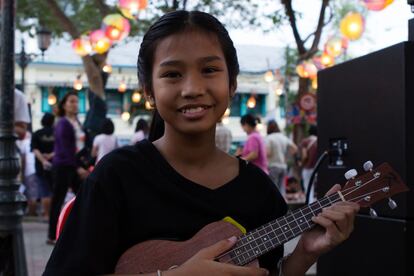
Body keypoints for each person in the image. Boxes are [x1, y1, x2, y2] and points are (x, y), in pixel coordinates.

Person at [44, 11, 359, 276]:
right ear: (149, 91)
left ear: (232, 83)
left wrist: (305, 253)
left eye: (209, 70)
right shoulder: (116, 177)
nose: (193, 88)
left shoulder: (259, 190)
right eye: (172, 74)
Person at [47, 91, 89, 244]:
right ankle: (52, 235)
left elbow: (81, 145)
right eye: (71, 101)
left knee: (83, 197)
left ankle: (77, 232)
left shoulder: (77, 122)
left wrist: (85, 163)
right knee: (58, 200)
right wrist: (78, 168)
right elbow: (65, 148)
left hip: (76, 165)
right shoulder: (62, 123)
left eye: (77, 101)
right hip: (63, 166)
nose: (75, 104)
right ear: (64, 105)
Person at [31, 112, 55, 221]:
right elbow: (60, 149)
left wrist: (43, 160)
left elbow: (35, 150)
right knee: (54, 190)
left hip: (40, 166)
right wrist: (50, 156)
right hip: (55, 165)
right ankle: (53, 215)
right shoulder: (57, 133)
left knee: (44, 191)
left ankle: (46, 215)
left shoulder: (36, 134)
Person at [265, 120, 297, 193]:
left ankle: (275, 204)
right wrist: (287, 157)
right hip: (283, 166)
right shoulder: (283, 137)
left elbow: (268, 153)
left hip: (273, 166)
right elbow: (295, 148)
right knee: (282, 190)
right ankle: (282, 204)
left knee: (273, 190)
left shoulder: (269, 138)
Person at [16, 131, 38, 216]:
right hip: (35, 170)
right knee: (34, 192)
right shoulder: (33, 142)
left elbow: (23, 159)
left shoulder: (25, 142)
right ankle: (33, 211)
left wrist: (22, 173)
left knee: (31, 193)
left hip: (29, 171)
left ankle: (32, 212)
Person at [300, 125, 318, 203]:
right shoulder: (319, 140)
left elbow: (304, 156)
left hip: (308, 168)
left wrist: (301, 163)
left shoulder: (305, 141)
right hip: (318, 168)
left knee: (309, 189)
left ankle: (310, 206)